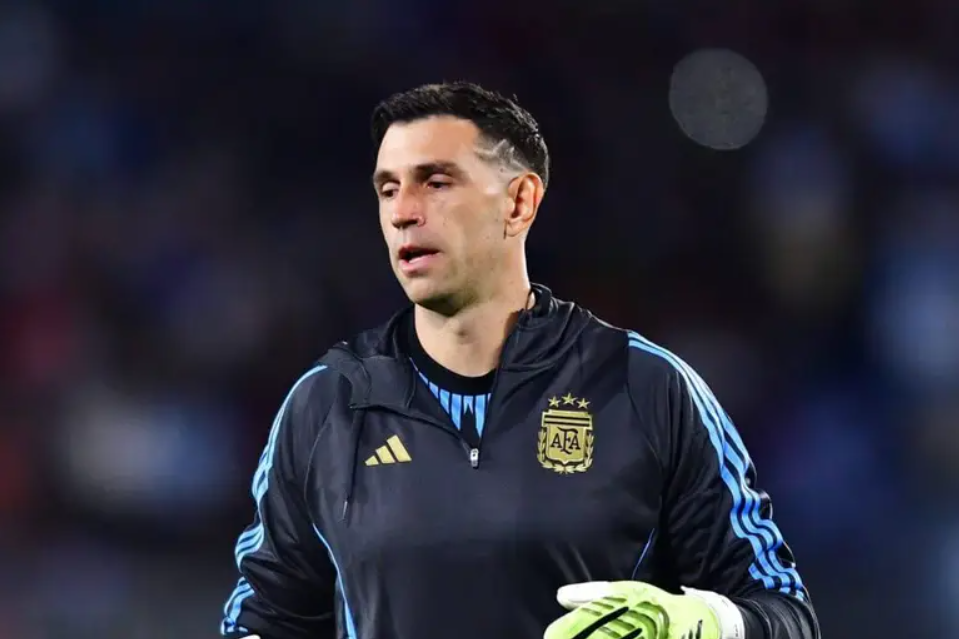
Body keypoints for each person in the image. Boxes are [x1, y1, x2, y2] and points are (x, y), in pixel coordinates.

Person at [219, 81, 819, 639]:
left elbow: (785, 614)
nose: (403, 211)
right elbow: (264, 620)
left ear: (519, 202)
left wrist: (697, 622)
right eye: (388, 189)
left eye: (436, 182)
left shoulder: (644, 388)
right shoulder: (329, 405)